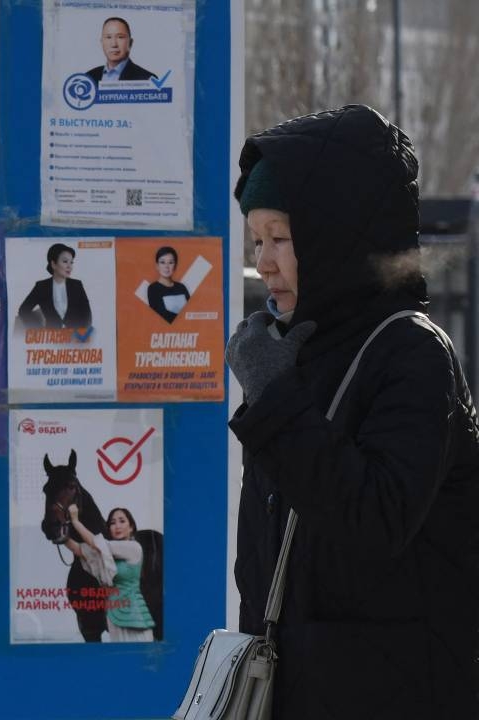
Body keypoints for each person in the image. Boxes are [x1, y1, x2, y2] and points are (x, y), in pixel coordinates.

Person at [227, 104, 479, 719]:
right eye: (258, 239)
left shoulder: (413, 354)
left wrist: (275, 398)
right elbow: (262, 565)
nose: (265, 261)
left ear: (336, 236)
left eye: (282, 238)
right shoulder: (300, 353)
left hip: (401, 692)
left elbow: (374, 520)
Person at [64, 505, 156, 642]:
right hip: (114, 618)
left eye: (122, 521)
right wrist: (61, 536)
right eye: (112, 523)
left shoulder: (134, 547)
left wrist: (76, 521)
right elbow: (80, 550)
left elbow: (97, 544)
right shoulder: (107, 555)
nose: (117, 526)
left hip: (134, 618)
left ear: (131, 527)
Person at [17, 243, 92, 329]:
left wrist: (81, 335)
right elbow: (23, 310)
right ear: (53, 264)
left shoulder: (77, 285)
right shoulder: (41, 287)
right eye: (65, 261)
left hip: (75, 338)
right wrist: (38, 330)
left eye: (71, 262)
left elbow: (87, 316)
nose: (69, 266)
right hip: (51, 339)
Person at [86, 17, 156, 84]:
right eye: (108, 37)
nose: (114, 44)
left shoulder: (147, 79)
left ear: (130, 43)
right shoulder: (88, 78)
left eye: (120, 37)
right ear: (102, 42)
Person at [146, 246, 190, 324]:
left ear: (175, 266)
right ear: (157, 266)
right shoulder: (153, 289)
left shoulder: (182, 287)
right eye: (162, 262)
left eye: (170, 262)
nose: (166, 266)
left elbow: (190, 311)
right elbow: (161, 317)